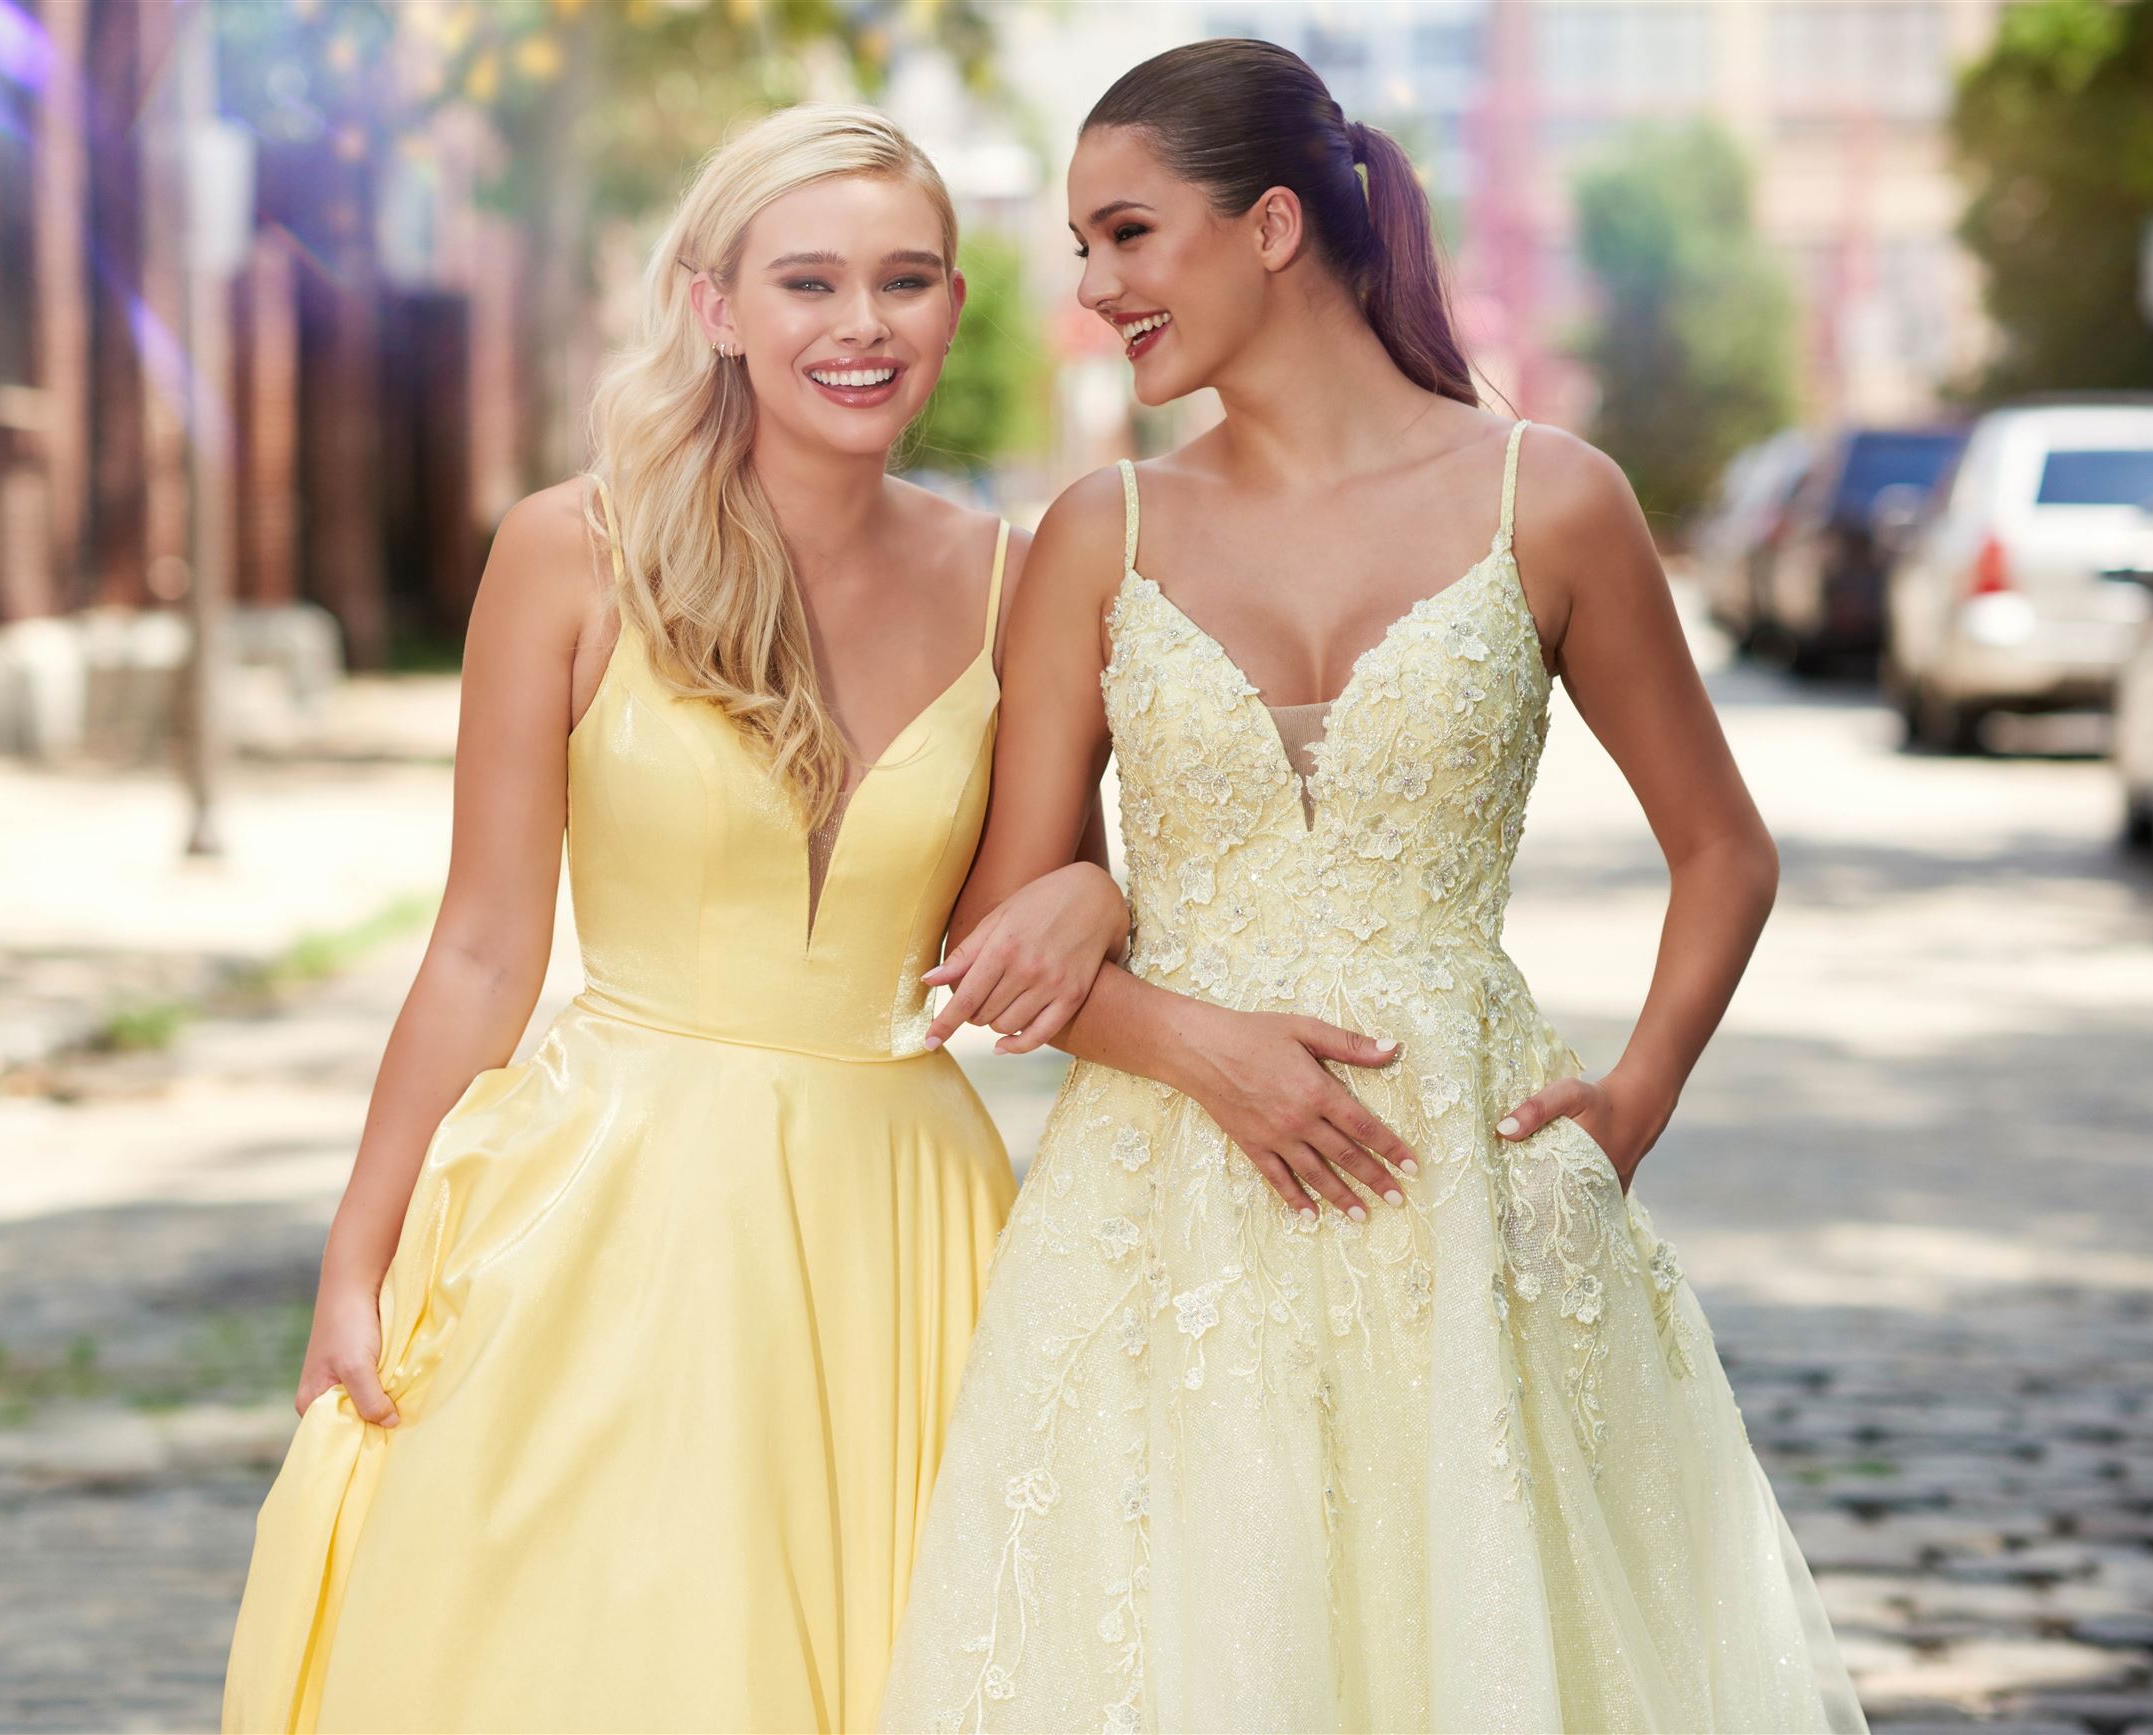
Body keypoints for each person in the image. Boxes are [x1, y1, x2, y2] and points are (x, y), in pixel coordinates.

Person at [884, 40, 1868, 1734]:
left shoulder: (1547, 500)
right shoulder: (1096, 532)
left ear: (1272, 226)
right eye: (1081, 250)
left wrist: (1630, 1102)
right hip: (1163, 1210)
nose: (1095, 286)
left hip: (1468, 1199)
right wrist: (1200, 1039)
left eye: (1128, 235)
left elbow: (1726, 851)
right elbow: (1003, 928)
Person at [220, 104, 1127, 1734]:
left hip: (903, 1225)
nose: (861, 326)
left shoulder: (1022, 577)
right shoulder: (571, 554)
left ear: (953, 310)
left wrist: (1095, 882)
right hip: (613, 1204)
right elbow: (486, 946)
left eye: (905, 281)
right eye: (808, 282)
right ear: (716, 309)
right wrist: (354, 1257)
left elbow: (1036, 934)